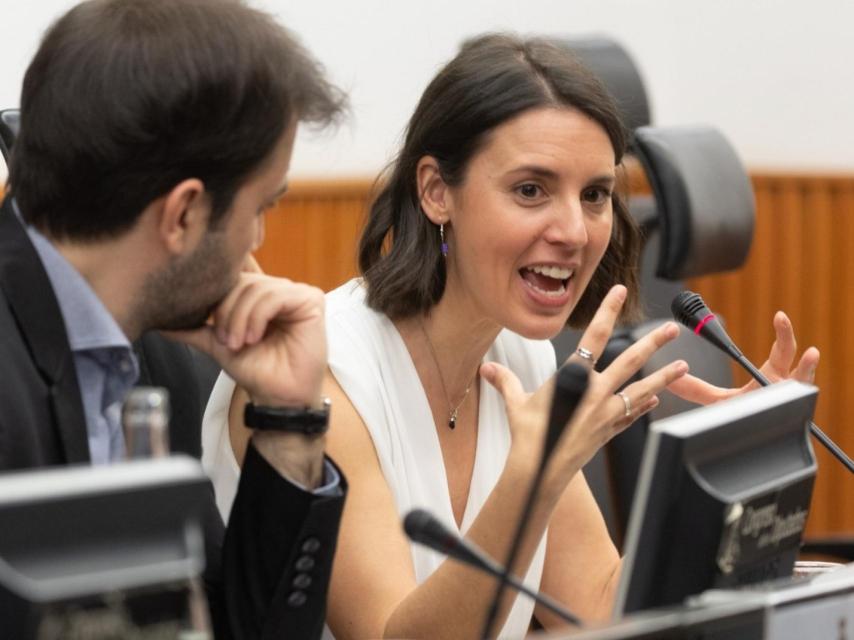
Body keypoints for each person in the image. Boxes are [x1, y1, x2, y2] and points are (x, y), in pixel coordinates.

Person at [203, 34, 820, 638]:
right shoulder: (323, 375)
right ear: (436, 191)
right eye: (531, 190)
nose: (575, 231)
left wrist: (729, 471)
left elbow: (602, 606)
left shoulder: (517, 353)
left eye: (596, 195)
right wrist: (532, 480)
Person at [0, 0, 349, 638]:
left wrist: (289, 419)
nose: (257, 245)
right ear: (183, 214)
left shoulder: (159, 355)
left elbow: (241, 628)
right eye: (261, 207)